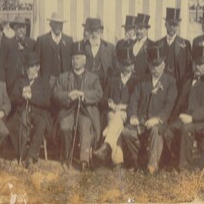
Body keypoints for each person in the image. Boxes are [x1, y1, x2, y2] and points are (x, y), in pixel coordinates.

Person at [164, 45, 204, 171]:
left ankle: (184, 168)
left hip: (203, 121)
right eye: (195, 63)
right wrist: (172, 119)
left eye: (201, 64)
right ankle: (175, 160)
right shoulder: (187, 78)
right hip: (184, 118)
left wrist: (192, 117)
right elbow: (179, 102)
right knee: (168, 131)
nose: (197, 67)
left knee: (187, 129)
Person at [121, 45, 177, 174]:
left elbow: (169, 105)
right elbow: (134, 99)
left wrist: (157, 119)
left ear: (164, 64)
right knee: (126, 132)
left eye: (158, 65)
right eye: (152, 65)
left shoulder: (170, 82)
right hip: (142, 120)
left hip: (160, 122)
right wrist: (133, 116)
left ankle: (152, 166)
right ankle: (139, 160)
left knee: (155, 131)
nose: (155, 69)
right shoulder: (143, 80)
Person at [53, 41, 103, 171]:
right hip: (68, 110)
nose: (75, 61)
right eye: (73, 58)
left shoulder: (93, 78)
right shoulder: (63, 77)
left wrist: (83, 94)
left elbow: (99, 94)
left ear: (85, 60)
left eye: (78, 58)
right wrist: (68, 95)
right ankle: (66, 157)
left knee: (85, 127)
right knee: (64, 127)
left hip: (86, 111)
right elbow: (56, 94)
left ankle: (84, 161)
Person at [93, 46, 139, 168]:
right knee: (115, 119)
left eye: (129, 64)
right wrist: (110, 103)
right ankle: (117, 161)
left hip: (126, 113)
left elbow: (138, 102)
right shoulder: (113, 79)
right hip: (112, 112)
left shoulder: (136, 81)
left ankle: (107, 148)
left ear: (133, 65)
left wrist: (123, 106)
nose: (126, 67)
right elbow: (102, 98)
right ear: (119, 64)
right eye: (123, 64)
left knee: (116, 118)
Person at [7, 52, 52, 168]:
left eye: (32, 67)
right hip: (22, 112)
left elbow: (47, 102)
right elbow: (12, 98)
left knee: (41, 124)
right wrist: (21, 96)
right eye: (27, 67)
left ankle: (31, 156)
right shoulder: (20, 81)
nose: (29, 70)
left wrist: (32, 98)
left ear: (38, 67)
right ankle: (20, 153)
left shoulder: (44, 82)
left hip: (38, 113)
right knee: (10, 126)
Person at [0, 16, 36, 97]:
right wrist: (2, 83)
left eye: (23, 27)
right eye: (18, 27)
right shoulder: (7, 43)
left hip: (27, 81)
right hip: (11, 82)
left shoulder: (32, 43)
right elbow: (1, 65)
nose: (21, 30)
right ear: (14, 29)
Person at [156, 8, 192, 89]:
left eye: (175, 25)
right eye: (170, 24)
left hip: (178, 85)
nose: (172, 27)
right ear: (165, 24)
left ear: (178, 26)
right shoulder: (159, 44)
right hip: (161, 86)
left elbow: (189, 68)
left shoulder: (185, 44)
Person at [36, 12, 73, 89]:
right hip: (47, 79)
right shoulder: (42, 40)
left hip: (64, 79)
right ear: (50, 24)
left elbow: (71, 61)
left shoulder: (68, 40)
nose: (58, 26)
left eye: (60, 24)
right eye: (56, 24)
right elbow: (36, 62)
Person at [84, 18, 117, 89]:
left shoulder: (110, 48)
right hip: (87, 86)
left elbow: (115, 68)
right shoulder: (83, 47)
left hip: (104, 86)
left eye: (96, 31)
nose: (94, 34)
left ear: (101, 32)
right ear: (88, 32)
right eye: (91, 31)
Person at [132, 13, 154, 78]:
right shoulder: (130, 44)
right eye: (136, 28)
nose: (138, 31)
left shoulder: (152, 45)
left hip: (144, 82)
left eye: (141, 28)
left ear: (146, 30)